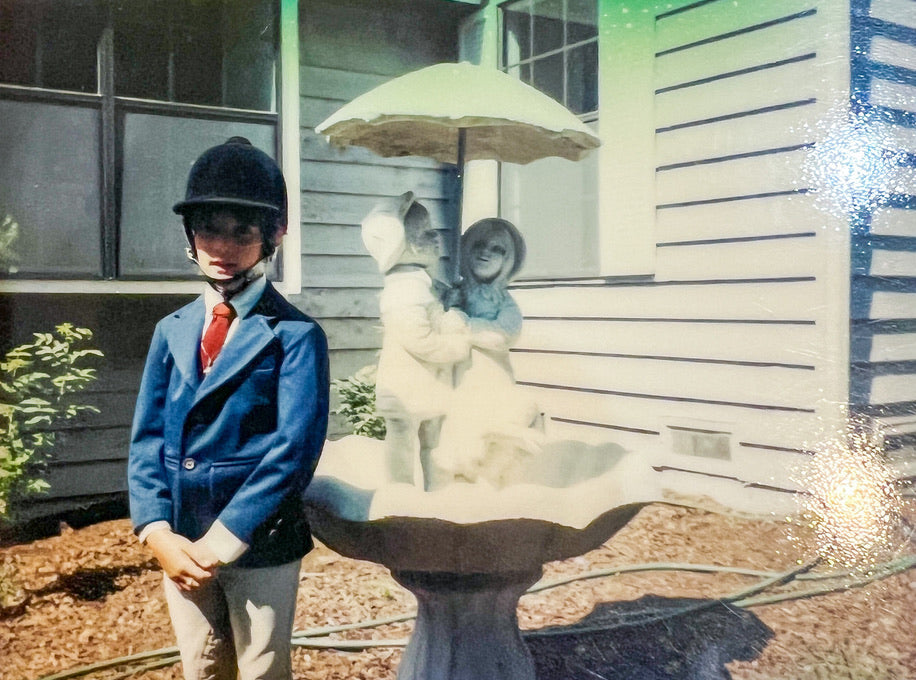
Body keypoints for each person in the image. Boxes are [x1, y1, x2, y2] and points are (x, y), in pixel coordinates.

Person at [127, 137, 329, 680]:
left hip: (258, 540)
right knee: (202, 663)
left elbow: (293, 450)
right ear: (190, 236)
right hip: (180, 541)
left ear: (275, 235)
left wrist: (223, 541)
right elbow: (146, 440)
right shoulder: (171, 331)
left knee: (261, 666)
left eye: (244, 231)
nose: (224, 245)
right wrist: (156, 531)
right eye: (210, 229)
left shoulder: (296, 335)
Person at [361, 191, 471, 488]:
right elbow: (420, 339)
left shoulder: (421, 282)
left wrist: (451, 297)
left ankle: (437, 493)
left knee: (434, 443)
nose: (435, 235)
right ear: (398, 246)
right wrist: (456, 342)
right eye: (424, 232)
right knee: (402, 443)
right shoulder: (403, 290)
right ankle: (401, 494)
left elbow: (436, 303)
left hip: (425, 386)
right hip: (406, 389)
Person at [431, 218, 542, 488]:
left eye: (497, 249)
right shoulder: (454, 294)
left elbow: (503, 334)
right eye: (479, 245)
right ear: (466, 249)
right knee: (455, 431)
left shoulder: (504, 302)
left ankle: (490, 484)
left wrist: (466, 326)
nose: (486, 252)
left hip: (490, 377)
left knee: (489, 431)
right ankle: (454, 485)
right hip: (456, 376)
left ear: (509, 260)